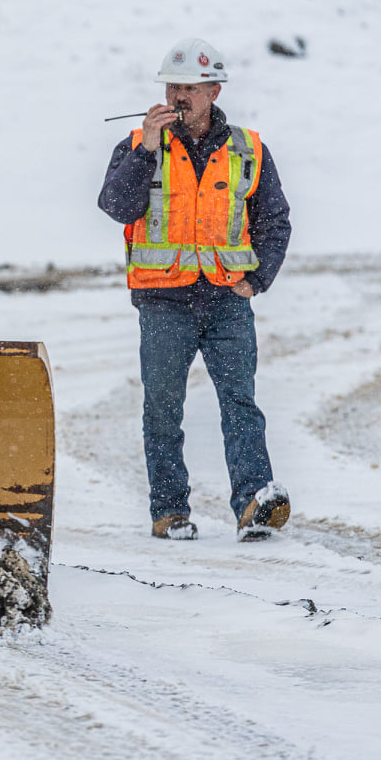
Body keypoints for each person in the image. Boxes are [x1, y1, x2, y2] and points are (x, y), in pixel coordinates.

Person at [97, 38, 293, 542]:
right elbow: (116, 206)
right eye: (172, 87)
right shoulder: (140, 144)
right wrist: (144, 150)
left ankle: (254, 503)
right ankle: (169, 512)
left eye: (189, 88)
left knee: (240, 403)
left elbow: (274, 219)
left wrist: (257, 279)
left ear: (214, 92)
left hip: (227, 300)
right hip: (164, 302)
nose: (178, 96)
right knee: (163, 409)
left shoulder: (248, 149)